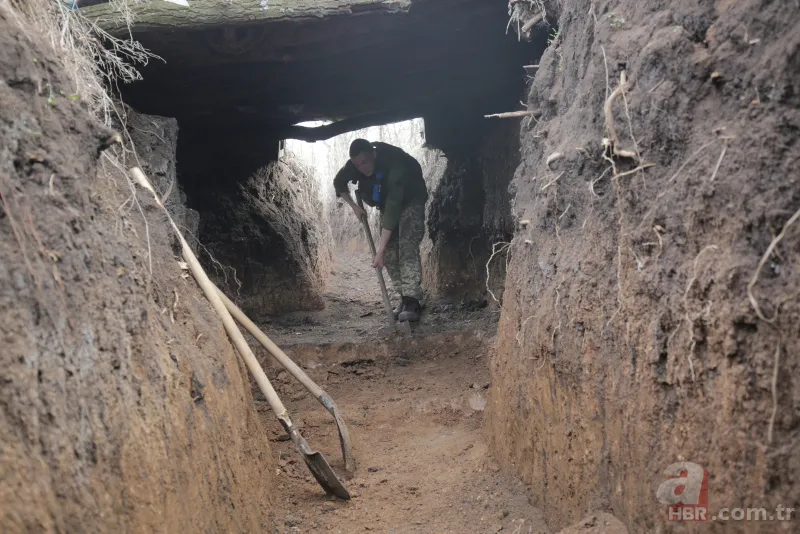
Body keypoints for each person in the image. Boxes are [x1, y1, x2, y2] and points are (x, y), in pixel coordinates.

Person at [333, 139, 428, 322]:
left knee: (406, 246)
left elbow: (393, 206)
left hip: (411, 199)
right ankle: (404, 297)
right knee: (391, 254)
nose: (362, 167)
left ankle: (413, 300)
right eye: (357, 164)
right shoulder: (354, 166)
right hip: (386, 203)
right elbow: (338, 183)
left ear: (373, 154)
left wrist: (380, 249)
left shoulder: (395, 163)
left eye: (365, 161)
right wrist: (354, 206)